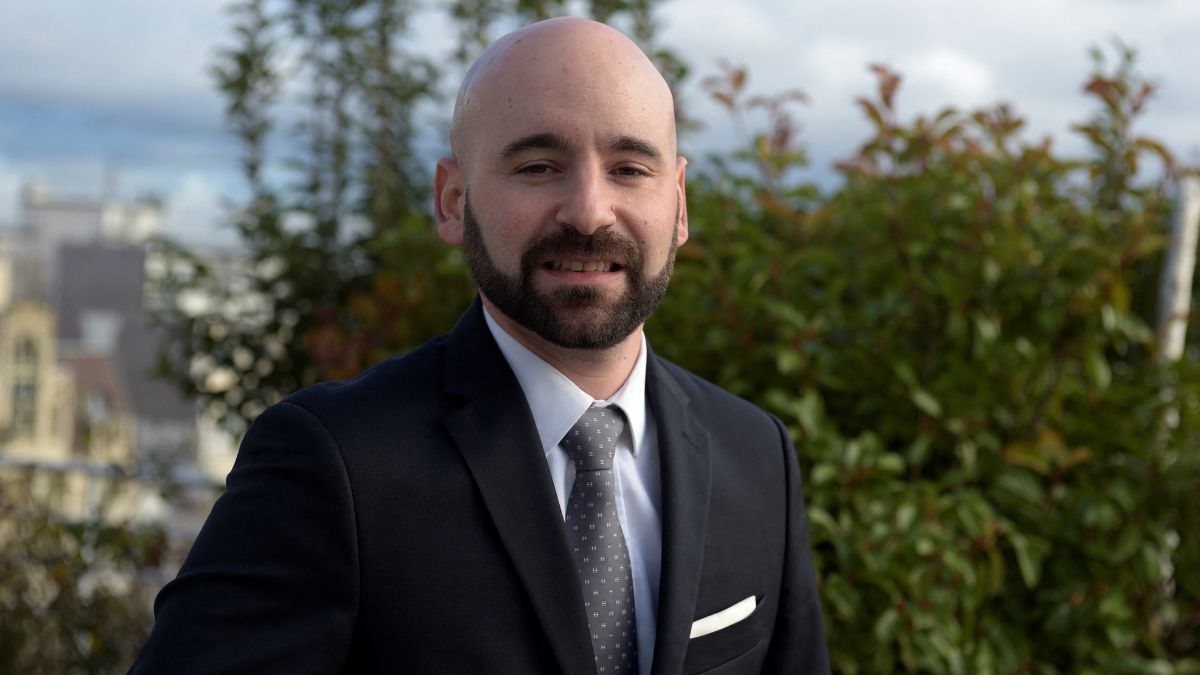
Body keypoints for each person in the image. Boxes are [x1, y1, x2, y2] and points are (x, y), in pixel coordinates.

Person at [130, 16, 829, 675]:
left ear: (679, 204)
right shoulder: (332, 465)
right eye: (537, 166)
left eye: (629, 168)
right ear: (452, 201)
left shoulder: (757, 455)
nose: (589, 210)